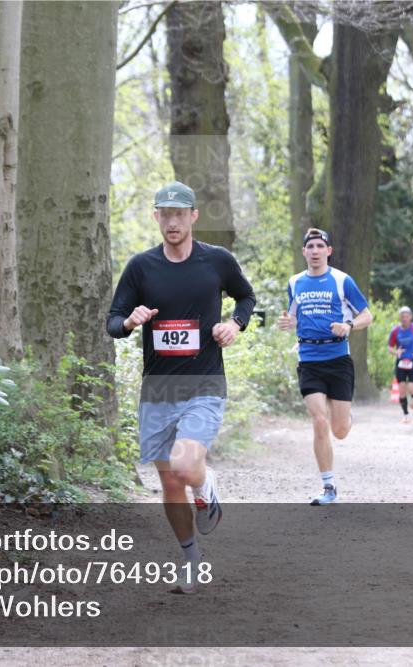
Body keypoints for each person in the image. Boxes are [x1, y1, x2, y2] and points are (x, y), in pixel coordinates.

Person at [106, 181, 255, 593]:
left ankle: (207, 488)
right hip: (157, 390)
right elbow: (113, 321)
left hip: (204, 383)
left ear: (193, 217)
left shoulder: (217, 262)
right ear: (155, 217)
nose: (172, 222)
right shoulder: (141, 267)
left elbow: (246, 298)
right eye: (164, 214)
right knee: (170, 483)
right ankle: (191, 561)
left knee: (187, 467)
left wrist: (234, 325)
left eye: (179, 214)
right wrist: (131, 322)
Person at [277, 228, 373, 505]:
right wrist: (288, 323)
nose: (315, 251)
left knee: (339, 430)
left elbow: (367, 314)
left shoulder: (342, 280)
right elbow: (294, 316)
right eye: (311, 246)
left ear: (328, 251)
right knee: (319, 421)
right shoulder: (295, 282)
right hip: (309, 359)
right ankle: (328, 487)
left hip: (338, 359)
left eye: (321, 246)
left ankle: (345, 417)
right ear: (304, 252)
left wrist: (349, 325)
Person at [388, 306, 413, 424]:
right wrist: (396, 352)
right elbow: (389, 347)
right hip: (400, 363)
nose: (404, 318)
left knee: (411, 387)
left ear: (411, 317)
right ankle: (406, 415)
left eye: (406, 316)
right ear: (400, 318)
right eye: (402, 316)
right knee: (402, 390)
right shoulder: (395, 331)